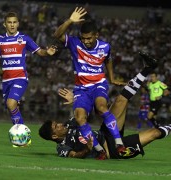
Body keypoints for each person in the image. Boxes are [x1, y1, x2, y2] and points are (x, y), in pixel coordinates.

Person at [39, 52, 171, 160]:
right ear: (54, 136)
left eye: (56, 123)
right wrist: (87, 149)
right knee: (154, 133)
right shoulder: (62, 148)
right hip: (111, 152)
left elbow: (84, 115)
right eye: (56, 126)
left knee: (121, 99)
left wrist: (75, 100)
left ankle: (149, 67)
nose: (60, 124)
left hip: (105, 133)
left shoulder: (69, 124)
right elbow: (74, 156)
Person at [52, 7, 129, 159]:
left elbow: (108, 60)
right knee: (80, 118)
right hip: (81, 89)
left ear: (96, 35)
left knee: (101, 107)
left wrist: (111, 78)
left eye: (89, 38)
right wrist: (70, 21)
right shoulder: (75, 43)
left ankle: (119, 144)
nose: (86, 41)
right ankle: (99, 150)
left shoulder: (105, 46)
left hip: (99, 84)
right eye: (84, 38)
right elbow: (57, 35)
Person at [0, 12, 56, 127]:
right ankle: (19, 134)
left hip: (20, 77)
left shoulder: (24, 39)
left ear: (18, 24)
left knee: (11, 104)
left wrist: (47, 52)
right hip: (6, 81)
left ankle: (22, 134)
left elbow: (40, 51)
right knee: (12, 108)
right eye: (9, 22)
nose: (12, 25)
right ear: (4, 24)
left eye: (14, 22)